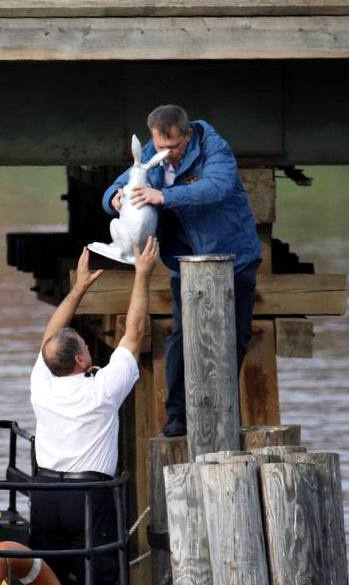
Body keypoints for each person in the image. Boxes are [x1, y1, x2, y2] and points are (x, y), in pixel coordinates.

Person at [22, 236, 158, 585]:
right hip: (88, 496)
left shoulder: (42, 381)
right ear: (83, 359)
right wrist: (143, 274)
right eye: (83, 344)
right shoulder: (101, 390)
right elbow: (133, 334)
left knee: (46, 580)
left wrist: (78, 288)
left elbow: (50, 338)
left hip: (45, 494)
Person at [103, 104, 261, 437]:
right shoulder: (152, 153)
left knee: (233, 337)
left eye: (173, 147)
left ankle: (222, 411)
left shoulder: (214, 149)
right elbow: (118, 186)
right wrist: (114, 198)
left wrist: (163, 196)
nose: (166, 154)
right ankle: (178, 416)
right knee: (181, 337)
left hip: (234, 259)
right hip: (186, 265)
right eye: (160, 147)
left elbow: (215, 188)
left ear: (187, 135)